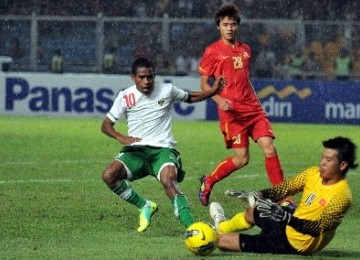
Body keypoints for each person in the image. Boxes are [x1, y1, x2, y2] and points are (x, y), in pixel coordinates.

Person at [101, 57, 224, 233]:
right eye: (141, 77)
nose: (146, 81)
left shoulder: (167, 90)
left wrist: (212, 92)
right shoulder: (125, 96)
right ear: (133, 78)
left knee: (169, 179)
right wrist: (119, 136)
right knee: (109, 175)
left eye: (150, 77)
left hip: (162, 149)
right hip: (136, 150)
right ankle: (144, 205)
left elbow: (190, 97)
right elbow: (106, 125)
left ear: (154, 75)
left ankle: (192, 228)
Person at [197, 3, 286, 206]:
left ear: (238, 26)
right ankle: (209, 181)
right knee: (242, 159)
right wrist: (218, 99)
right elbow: (204, 83)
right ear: (218, 26)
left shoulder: (245, 50)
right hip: (232, 115)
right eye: (225, 24)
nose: (229, 28)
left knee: (269, 148)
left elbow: (244, 79)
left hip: (253, 110)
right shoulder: (212, 52)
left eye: (233, 24)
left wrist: (256, 103)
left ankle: (283, 196)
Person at [209, 136, 357, 255]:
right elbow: (286, 188)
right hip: (290, 219)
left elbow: (318, 228)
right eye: (322, 157)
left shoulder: (342, 196)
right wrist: (260, 194)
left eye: (329, 160)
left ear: (342, 165)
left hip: (295, 243)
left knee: (221, 242)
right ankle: (222, 225)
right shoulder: (313, 173)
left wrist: (286, 218)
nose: (322, 163)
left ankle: (220, 234)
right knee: (253, 210)